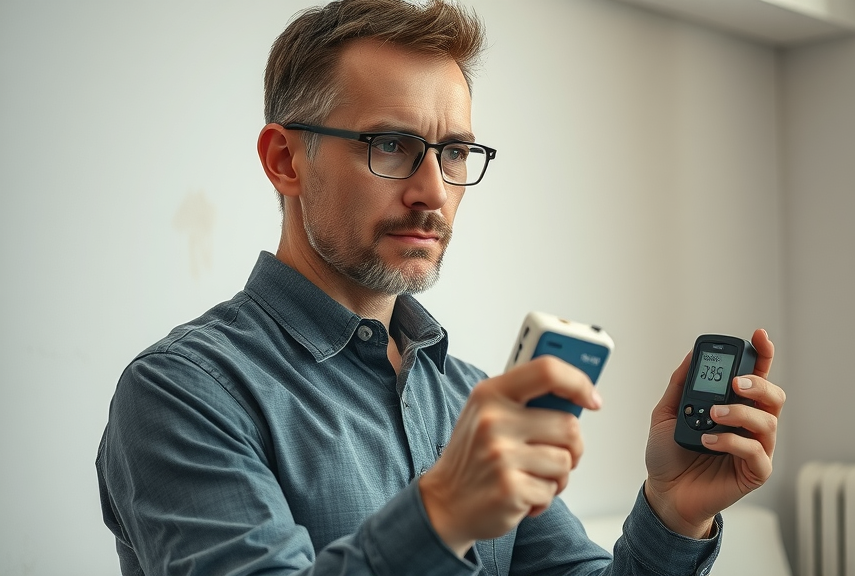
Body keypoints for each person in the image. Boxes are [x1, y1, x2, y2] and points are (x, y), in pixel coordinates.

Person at [95, 1, 786, 575]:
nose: (432, 191)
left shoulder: (467, 395)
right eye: (389, 145)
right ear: (285, 160)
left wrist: (673, 512)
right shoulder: (182, 393)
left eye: (454, 152)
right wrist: (443, 512)